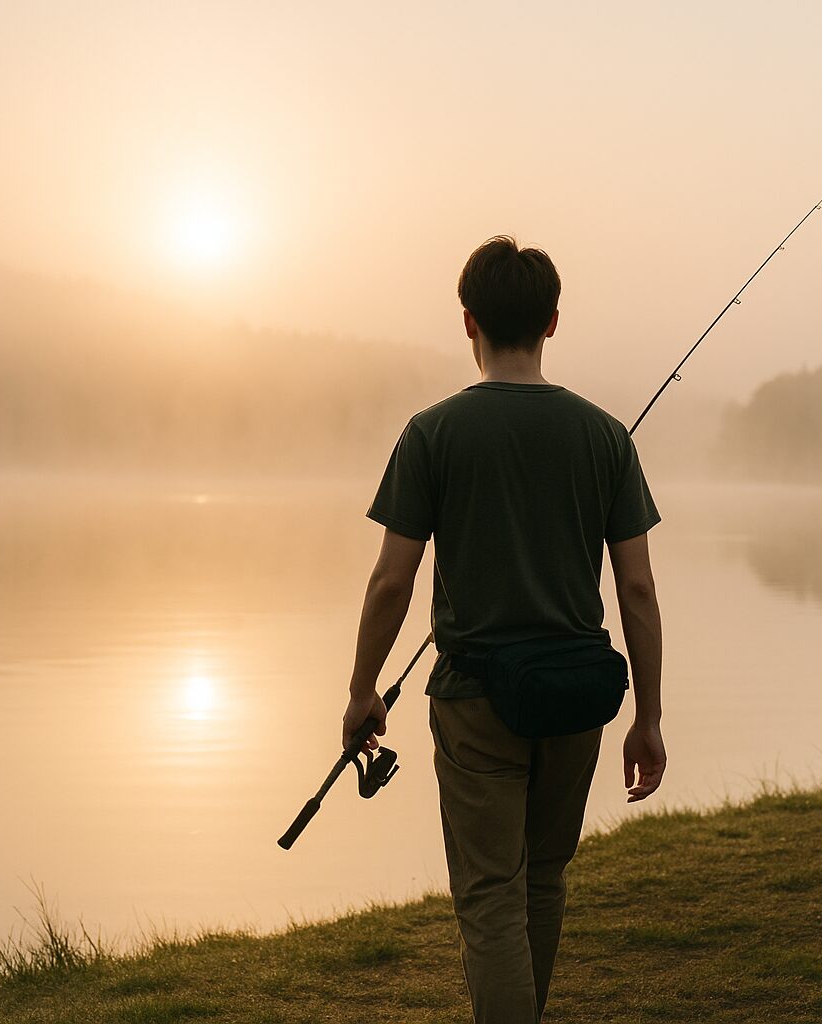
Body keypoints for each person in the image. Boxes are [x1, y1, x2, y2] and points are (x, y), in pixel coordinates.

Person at [341, 235, 667, 1023]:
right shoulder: (605, 437)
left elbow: (392, 579)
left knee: (490, 896)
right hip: (578, 697)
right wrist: (647, 717)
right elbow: (636, 587)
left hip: (475, 700)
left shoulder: (433, 432)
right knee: (544, 879)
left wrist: (361, 690)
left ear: (468, 323)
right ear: (552, 323)